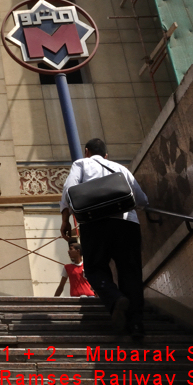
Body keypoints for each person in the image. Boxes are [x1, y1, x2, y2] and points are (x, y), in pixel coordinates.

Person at [60, 138, 149, 339]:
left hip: (94, 223)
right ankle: (136, 325)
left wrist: (65, 220)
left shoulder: (81, 164)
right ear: (106, 155)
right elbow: (142, 200)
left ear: (86, 151)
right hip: (127, 224)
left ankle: (115, 298)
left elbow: (69, 190)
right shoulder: (120, 169)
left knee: (94, 269)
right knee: (130, 272)